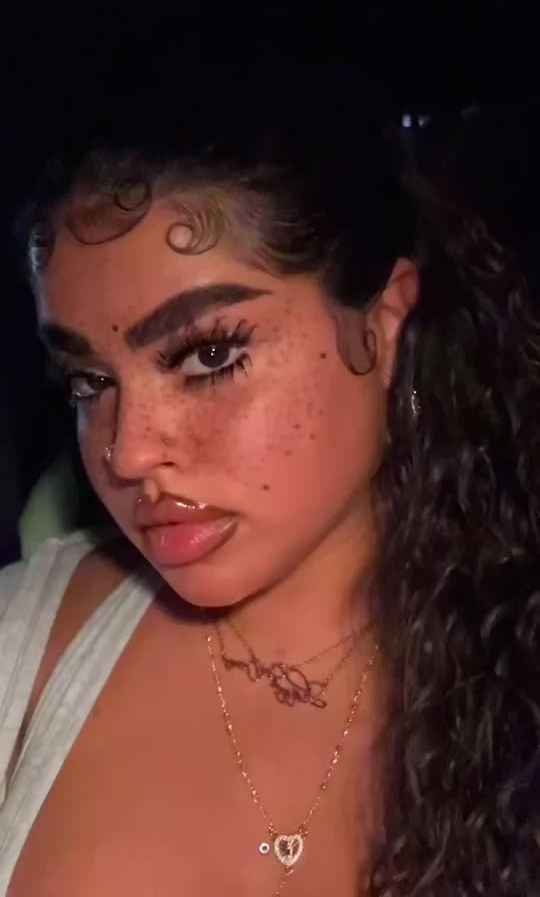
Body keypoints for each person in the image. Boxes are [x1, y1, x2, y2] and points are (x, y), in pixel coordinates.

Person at [1, 68, 539, 897]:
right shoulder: (18, 650)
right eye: (89, 381)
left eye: (209, 354)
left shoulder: (511, 675)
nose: (126, 452)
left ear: (385, 325)